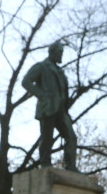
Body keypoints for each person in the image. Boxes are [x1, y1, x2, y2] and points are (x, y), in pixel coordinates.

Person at [22, 40, 78, 171]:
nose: (61, 56)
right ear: (52, 52)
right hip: (48, 108)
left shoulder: (60, 71)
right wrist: (42, 95)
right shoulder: (42, 66)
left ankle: (71, 166)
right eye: (59, 52)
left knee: (71, 137)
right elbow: (26, 82)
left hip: (61, 110)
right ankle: (45, 163)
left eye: (62, 53)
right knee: (47, 138)